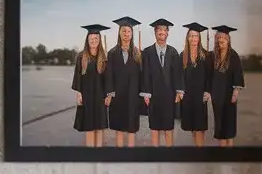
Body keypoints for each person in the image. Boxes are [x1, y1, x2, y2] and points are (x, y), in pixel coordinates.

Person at [140, 18, 184, 147]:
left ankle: (169, 156)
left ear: (168, 33)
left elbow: (178, 74)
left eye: (164, 30)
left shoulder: (173, 52)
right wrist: (146, 93)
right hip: (153, 95)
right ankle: (156, 157)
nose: (162, 32)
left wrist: (179, 91)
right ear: (155, 32)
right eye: (159, 29)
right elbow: (145, 74)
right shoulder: (147, 52)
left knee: (168, 128)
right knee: (155, 128)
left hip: (169, 96)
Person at [105, 16, 143, 148]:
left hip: (133, 95)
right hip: (118, 96)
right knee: (119, 128)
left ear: (132, 34)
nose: (126, 34)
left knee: (132, 129)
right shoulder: (112, 53)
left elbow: (142, 76)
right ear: (119, 33)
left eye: (129, 31)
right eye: (124, 31)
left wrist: (143, 94)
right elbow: (108, 75)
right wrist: (110, 93)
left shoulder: (138, 54)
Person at [206, 25, 245, 147]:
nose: (221, 40)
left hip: (229, 95)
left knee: (229, 123)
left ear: (228, 39)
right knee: (219, 123)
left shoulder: (233, 56)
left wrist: (236, 92)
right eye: (219, 37)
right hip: (216, 95)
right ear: (216, 39)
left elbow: (238, 75)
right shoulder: (212, 56)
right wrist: (208, 92)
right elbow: (208, 76)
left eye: (224, 37)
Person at [71, 24, 109, 148]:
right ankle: (90, 153)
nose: (93, 41)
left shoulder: (103, 58)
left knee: (99, 127)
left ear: (99, 41)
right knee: (89, 127)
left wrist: (108, 95)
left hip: (100, 96)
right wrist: (79, 93)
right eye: (91, 39)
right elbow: (78, 76)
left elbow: (107, 79)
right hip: (86, 96)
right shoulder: (81, 57)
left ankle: (99, 153)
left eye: (96, 39)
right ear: (87, 40)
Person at [179, 22, 210, 148]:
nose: (193, 38)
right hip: (187, 96)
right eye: (191, 36)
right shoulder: (182, 56)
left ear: (199, 38)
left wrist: (207, 91)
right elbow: (179, 76)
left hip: (200, 95)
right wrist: (180, 92)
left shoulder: (206, 55)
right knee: (193, 126)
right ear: (187, 38)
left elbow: (209, 76)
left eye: (196, 36)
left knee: (199, 126)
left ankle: (200, 151)